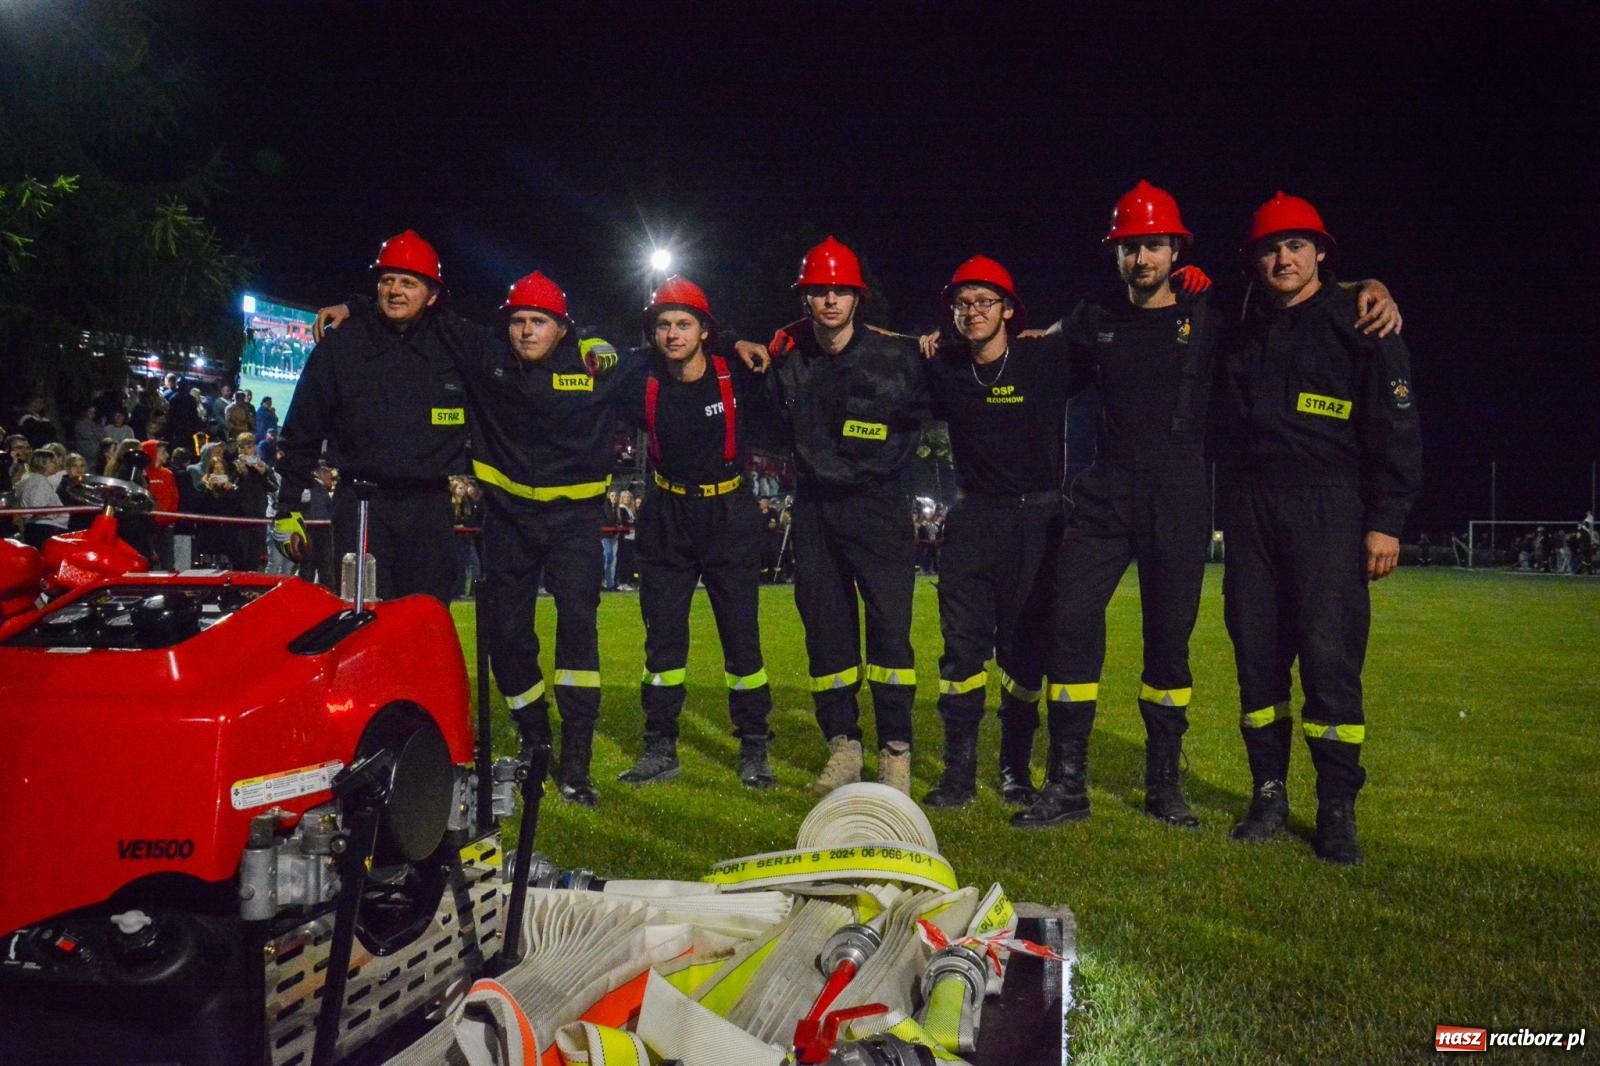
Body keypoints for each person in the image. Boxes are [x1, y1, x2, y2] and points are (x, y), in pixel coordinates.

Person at [1013, 182, 1404, 832]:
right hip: (1104, 499)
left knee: (1169, 646)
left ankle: (1165, 786)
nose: (1142, 260)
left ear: (1175, 251)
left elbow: (1296, 297)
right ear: (1115, 254)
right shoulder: (1094, 319)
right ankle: (1067, 782)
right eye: (1130, 248)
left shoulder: (1214, 313)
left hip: (1181, 501)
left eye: (1154, 247)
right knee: (1070, 623)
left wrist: (1372, 285)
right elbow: (1035, 354)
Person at [316, 267, 625, 806]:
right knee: (507, 637)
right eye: (518, 321)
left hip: (575, 525)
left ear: (563, 329)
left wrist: (729, 339)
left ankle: (576, 763)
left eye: (540, 322)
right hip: (506, 521)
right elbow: (417, 304)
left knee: (578, 637)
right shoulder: (488, 355)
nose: (526, 331)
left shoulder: (595, 364)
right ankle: (534, 740)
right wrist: (355, 306)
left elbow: (673, 353)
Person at [1219, 191, 1422, 865]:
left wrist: (1386, 519)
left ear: (1321, 254)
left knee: (1331, 663)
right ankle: (1268, 794)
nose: (1283, 257)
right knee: (1257, 659)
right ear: (1255, 260)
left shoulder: (1359, 319)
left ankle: (1336, 808)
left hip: (1330, 509)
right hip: (1251, 510)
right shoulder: (1242, 325)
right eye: (1271, 248)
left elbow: (1396, 425)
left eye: (1296, 246)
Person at [737, 236, 931, 794]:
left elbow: (953, 376)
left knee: (891, 637)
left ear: (856, 297)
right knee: (826, 635)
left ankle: (896, 751)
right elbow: (732, 373)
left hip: (880, 510)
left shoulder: (899, 354)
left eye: (839, 290)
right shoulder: (787, 359)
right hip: (817, 512)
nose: (829, 300)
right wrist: (748, 342)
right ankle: (843, 747)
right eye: (818, 291)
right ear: (805, 300)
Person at [919, 256, 1084, 810]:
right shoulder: (941, 365)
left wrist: (1187, 291)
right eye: (962, 304)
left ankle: (1015, 769)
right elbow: (864, 337)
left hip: (1038, 522)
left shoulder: (1044, 358)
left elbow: (1114, 328)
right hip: (972, 521)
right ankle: (958, 773)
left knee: (1024, 654)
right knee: (960, 652)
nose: (972, 312)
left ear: (1009, 310)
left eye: (985, 302)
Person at [612, 276, 775, 789]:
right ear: (652, 333)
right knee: (662, 642)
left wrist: (735, 339)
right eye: (663, 324)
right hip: (666, 516)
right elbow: (587, 364)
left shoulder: (737, 373)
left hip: (729, 515)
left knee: (742, 640)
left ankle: (754, 746)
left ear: (705, 330)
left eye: (684, 324)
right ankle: (660, 746)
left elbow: (790, 346)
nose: (673, 333)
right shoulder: (640, 379)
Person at [276, 230, 469, 603]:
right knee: (361, 620)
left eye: (408, 283)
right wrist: (287, 506)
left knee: (426, 623)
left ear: (432, 295)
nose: (395, 290)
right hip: (361, 505)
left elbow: (512, 351)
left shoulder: (453, 342)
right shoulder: (342, 344)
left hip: (430, 509)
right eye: (387, 280)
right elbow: (303, 425)